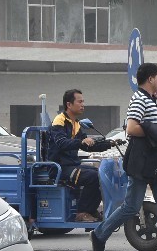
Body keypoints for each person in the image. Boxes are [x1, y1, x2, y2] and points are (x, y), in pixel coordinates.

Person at [89, 63, 157, 251]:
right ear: (151, 79)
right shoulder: (139, 99)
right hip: (142, 161)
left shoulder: (149, 100)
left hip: (155, 159)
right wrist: (155, 131)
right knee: (131, 207)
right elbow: (131, 128)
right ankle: (99, 235)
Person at [46, 89, 112, 222]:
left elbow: (87, 145)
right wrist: (80, 141)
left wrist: (110, 143)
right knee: (92, 177)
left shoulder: (76, 124)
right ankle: (82, 212)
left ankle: (91, 210)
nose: (83, 104)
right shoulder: (59, 121)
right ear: (69, 104)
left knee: (102, 173)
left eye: (83, 101)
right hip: (59, 167)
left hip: (72, 165)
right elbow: (61, 143)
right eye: (79, 101)